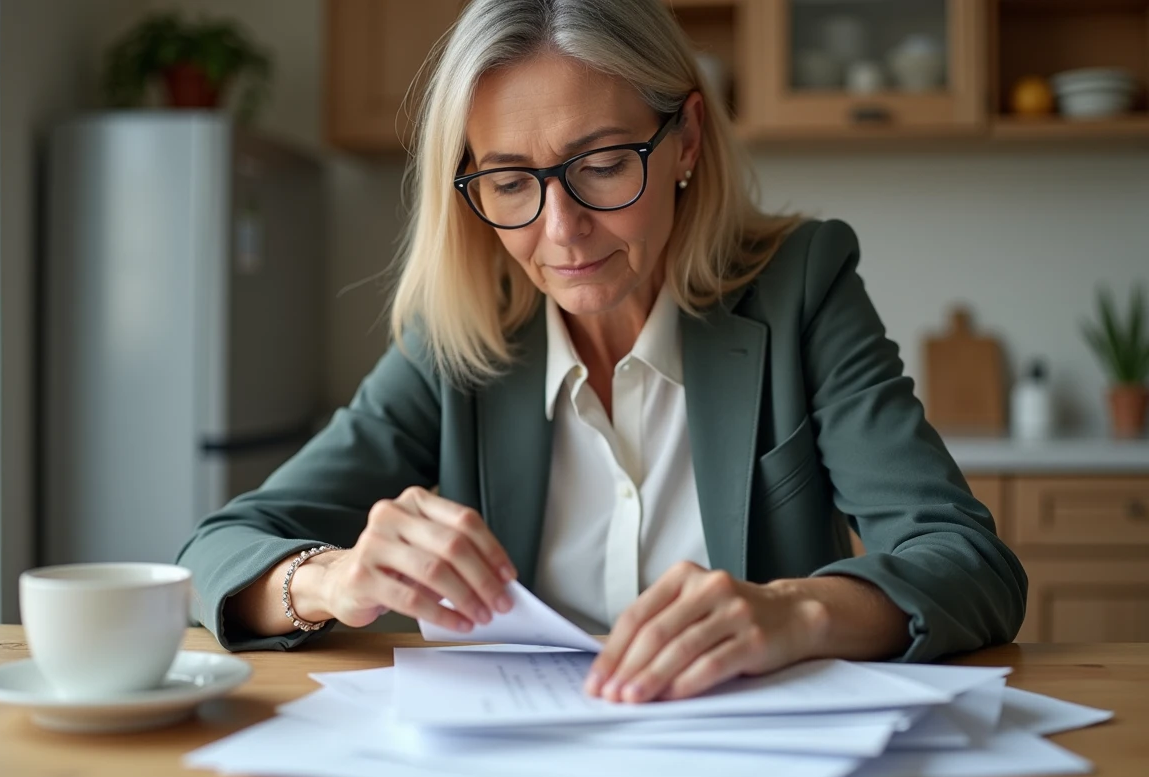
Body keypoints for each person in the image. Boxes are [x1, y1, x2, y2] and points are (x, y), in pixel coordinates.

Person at [178, 0, 1026, 705]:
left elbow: (969, 564)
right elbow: (220, 546)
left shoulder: (802, 288)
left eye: (604, 163)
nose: (561, 230)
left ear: (686, 139)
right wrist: (334, 580)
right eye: (510, 181)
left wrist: (794, 612)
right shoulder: (461, 337)